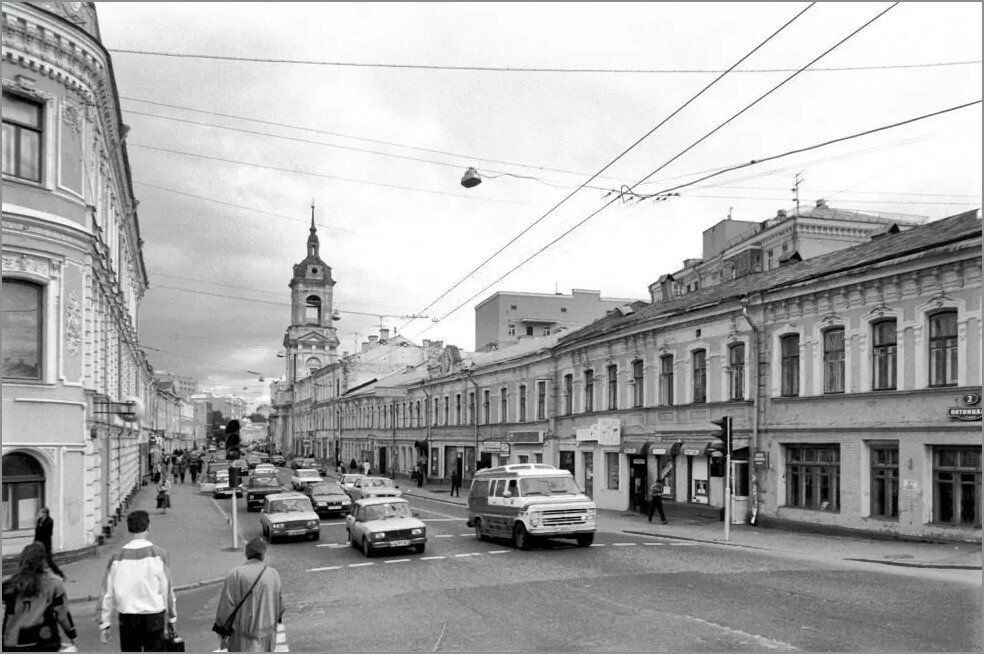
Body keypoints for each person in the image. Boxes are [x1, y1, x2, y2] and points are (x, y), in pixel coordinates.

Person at [97, 510, 177, 652]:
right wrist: (172, 618)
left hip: (128, 617)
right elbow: (167, 591)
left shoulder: (117, 557)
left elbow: (106, 593)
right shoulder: (159, 555)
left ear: (129, 528)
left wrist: (105, 624)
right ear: (148, 527)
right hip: (154, 616)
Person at [2, 542, 78, 652]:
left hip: (12, 643)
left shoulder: (8, 585)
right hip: (44, 641)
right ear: (43, 561)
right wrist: (72, 634)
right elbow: (62, 615)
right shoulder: (54, 583)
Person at [214, 537, 283, 653]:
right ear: (263, 554)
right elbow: (279, 607)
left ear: (246, 553)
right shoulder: (273, 574)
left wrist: (222, 632)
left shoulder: (236, 574)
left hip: (242, 639)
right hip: (267, 638)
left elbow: (226, 607)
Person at [33, 508, 66, 580]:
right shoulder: (39, 520)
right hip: (38, 544)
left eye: (41, 512)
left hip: (46, 544)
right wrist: (34, 542)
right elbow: (37, 532)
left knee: (49, 561)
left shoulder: (50, 521)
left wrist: (41, 525)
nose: (39, 514)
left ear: (45, 513)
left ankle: (60, 575)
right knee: (36, 560)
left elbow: (48, 533)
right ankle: (37, 576)